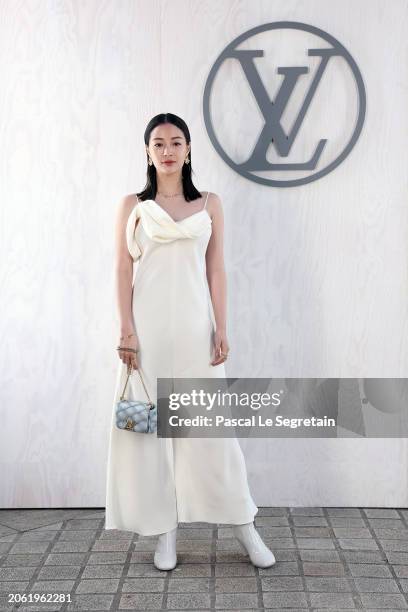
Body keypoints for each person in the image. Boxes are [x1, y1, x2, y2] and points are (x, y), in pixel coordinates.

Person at [105, 112, 275, 571]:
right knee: (154, 434)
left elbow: (216, 269)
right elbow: (123, 270)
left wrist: (222, 326)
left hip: (197, 332)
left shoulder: (210, 204)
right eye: (158, 143)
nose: (167, 150)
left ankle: (245, 526)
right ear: (147, 151)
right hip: (149, 333)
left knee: (212, 434)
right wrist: (126, 329)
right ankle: (165, 534)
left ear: (188, 149)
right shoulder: (133, 207)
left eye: (176, 141)